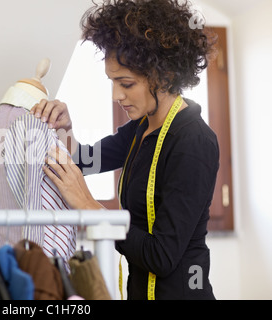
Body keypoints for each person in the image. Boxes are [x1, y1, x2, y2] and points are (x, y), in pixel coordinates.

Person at [31, 0, 219, 300]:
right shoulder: (141, 128)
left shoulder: (193, 142)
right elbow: (83, 160)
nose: (116, 95)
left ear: (165, 75)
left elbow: (161, 256)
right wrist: (63, 126)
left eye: (126, 83)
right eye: (113, 82)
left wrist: (90, 207)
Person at [0, 58, 76, 272]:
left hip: (6, 260)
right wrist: (38, 267)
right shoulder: (30, 126)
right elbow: (33, 208)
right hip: (40, 267)